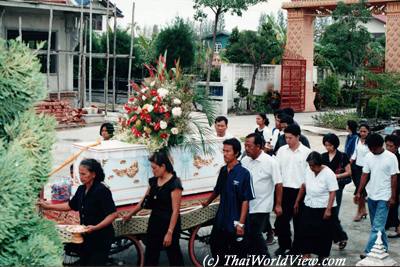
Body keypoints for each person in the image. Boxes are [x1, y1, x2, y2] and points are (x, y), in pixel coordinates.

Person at [39, 159, 118, 266]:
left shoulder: (102, 190)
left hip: (101, 238)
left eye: (83, 174)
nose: (81, 177)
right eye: (79, 174)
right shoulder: (81, 189)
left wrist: (96, 227)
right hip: (86, 237)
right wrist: (49, 207)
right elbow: (70, 205)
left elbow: (113, 214)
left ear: (93, 174)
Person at [123, 152, 184, 266]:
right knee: (151, 255)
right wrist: (130, 214)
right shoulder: (153, 181)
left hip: (169, 224)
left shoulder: (174, 184)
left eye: (154, 168)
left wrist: (169, 233)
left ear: (163, 166)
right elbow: (144, 201)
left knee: (174, 255)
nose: (153, 170)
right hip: (155, 222)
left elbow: (175, 210)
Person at [202, 138, 255, 259]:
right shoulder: (223, 170)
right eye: (223, 151)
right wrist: (207, 202)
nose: (225, 154)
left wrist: (241, 224)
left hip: (236, 219)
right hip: (221, 218)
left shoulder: (244, 173)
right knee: (216, 247)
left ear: (236, 153)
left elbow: (245, 200)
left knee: (237, 253)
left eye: (228, 151)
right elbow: (217, 190)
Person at [355, 133, 399, 258]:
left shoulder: (391, 157)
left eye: (373, 148)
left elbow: (394, 178)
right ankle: (383, 247)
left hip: (384, 197)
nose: (371, 150)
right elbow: (364, 175)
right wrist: (359, 191)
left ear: (380, 146)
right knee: (377, 226)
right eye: (370, 148)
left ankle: (369, 251)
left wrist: (393, 197)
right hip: (372, 195)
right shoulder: (369, 156)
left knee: (377, 226)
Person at [242, 133, 282, 258]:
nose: (246, 149)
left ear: (258, 146)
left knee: (255, 233)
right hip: (247, 204)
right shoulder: (244, 161)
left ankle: (265, 258)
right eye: (245, 146)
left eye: (249, 146)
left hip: (262, 204)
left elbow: (279, 184)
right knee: (247, 233)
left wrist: (278, 204)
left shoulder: (270, 162)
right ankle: (253, 258)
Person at [274, 124, 311, 256]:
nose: (287, 140)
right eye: (286, 138)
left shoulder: (306, 152)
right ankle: (284, 245)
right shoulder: (282, 150)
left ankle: (297, 249)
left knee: (299, 223)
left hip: (300, 191)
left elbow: (309, 175)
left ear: (298, 137)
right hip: (283, 190)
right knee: (281, 222)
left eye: (290, 138)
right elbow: (277, 171)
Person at [295, 152, 338, 261]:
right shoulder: (308, 171)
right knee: (306, 229)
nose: (311, 168)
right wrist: (297, 201)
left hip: (324, 207)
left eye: (313, 165)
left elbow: (332, 192)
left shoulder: (328, 173)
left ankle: (322, 257)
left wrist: (328, 210)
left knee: (323, 233)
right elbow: (303, 186)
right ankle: (306, 253)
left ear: (320, 164)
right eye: (310, 165)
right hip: (309, 205)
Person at [321, 133, 350, 250]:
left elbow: (349, 172)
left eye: (330, 145)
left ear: (335, 144)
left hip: (337, 187)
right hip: (324, 188)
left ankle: (340, 236)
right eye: (326, 145)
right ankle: (339, 236)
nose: (328, 147)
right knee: (327, 213)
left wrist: (336, 176)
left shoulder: (342, 156)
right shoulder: (323, 156)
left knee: (333, 212)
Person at [351, 124, 370, 221]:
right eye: (361, 131)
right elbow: (355, 152)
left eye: (364, 131)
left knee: (360, 190)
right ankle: (363, 210)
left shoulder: (370, 142)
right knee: (360, 190)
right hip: (356, 168)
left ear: (368, 132)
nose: (362, 133)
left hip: (366, 170)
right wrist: (350, 162)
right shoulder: (357, 140)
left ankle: (359, 212)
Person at [385, 135, 400, 238]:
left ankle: (397, 227)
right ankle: (389, 223)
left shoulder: (397, 158)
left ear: (396, 147)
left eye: (391, 146)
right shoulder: (385, 156)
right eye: (387, 146)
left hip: (397, 186)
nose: (388, 148)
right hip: (387, 185)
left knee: (394, 206)